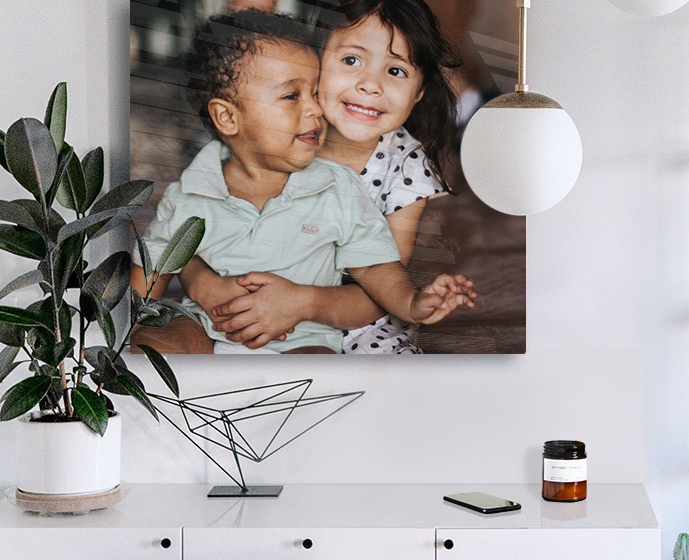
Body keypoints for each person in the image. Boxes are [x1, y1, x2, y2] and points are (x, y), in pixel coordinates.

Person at [130, 9, 475, 354]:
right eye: (352, 60)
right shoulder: (197, 184)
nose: (370, 84)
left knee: (322, 368)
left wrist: (413, 302)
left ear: (419, 92)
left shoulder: (344, 184)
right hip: (208, 323)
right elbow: (157, 262)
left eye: (396, 70)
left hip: (313, 331)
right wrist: (144, 317)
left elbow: (377, 273)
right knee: (158, 341)